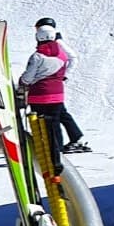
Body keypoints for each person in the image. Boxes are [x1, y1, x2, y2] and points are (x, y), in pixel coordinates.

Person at [33, 18, 91, 153]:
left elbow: (73, 58)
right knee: (62, 113)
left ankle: (67, 141)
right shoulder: (48, 40)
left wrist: (65, 74)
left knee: (59, 114)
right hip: (53, 84)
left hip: (52, 83)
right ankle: (75, 137)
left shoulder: (56, 41)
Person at [19, 22, 69, 176]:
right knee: (54, 127)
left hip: (39, 96)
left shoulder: (38, 56)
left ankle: (46, 158)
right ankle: (57, 157)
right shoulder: (62, 54)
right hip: (58, 95)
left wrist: (22, 82)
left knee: (41, 128)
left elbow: (28, 77)